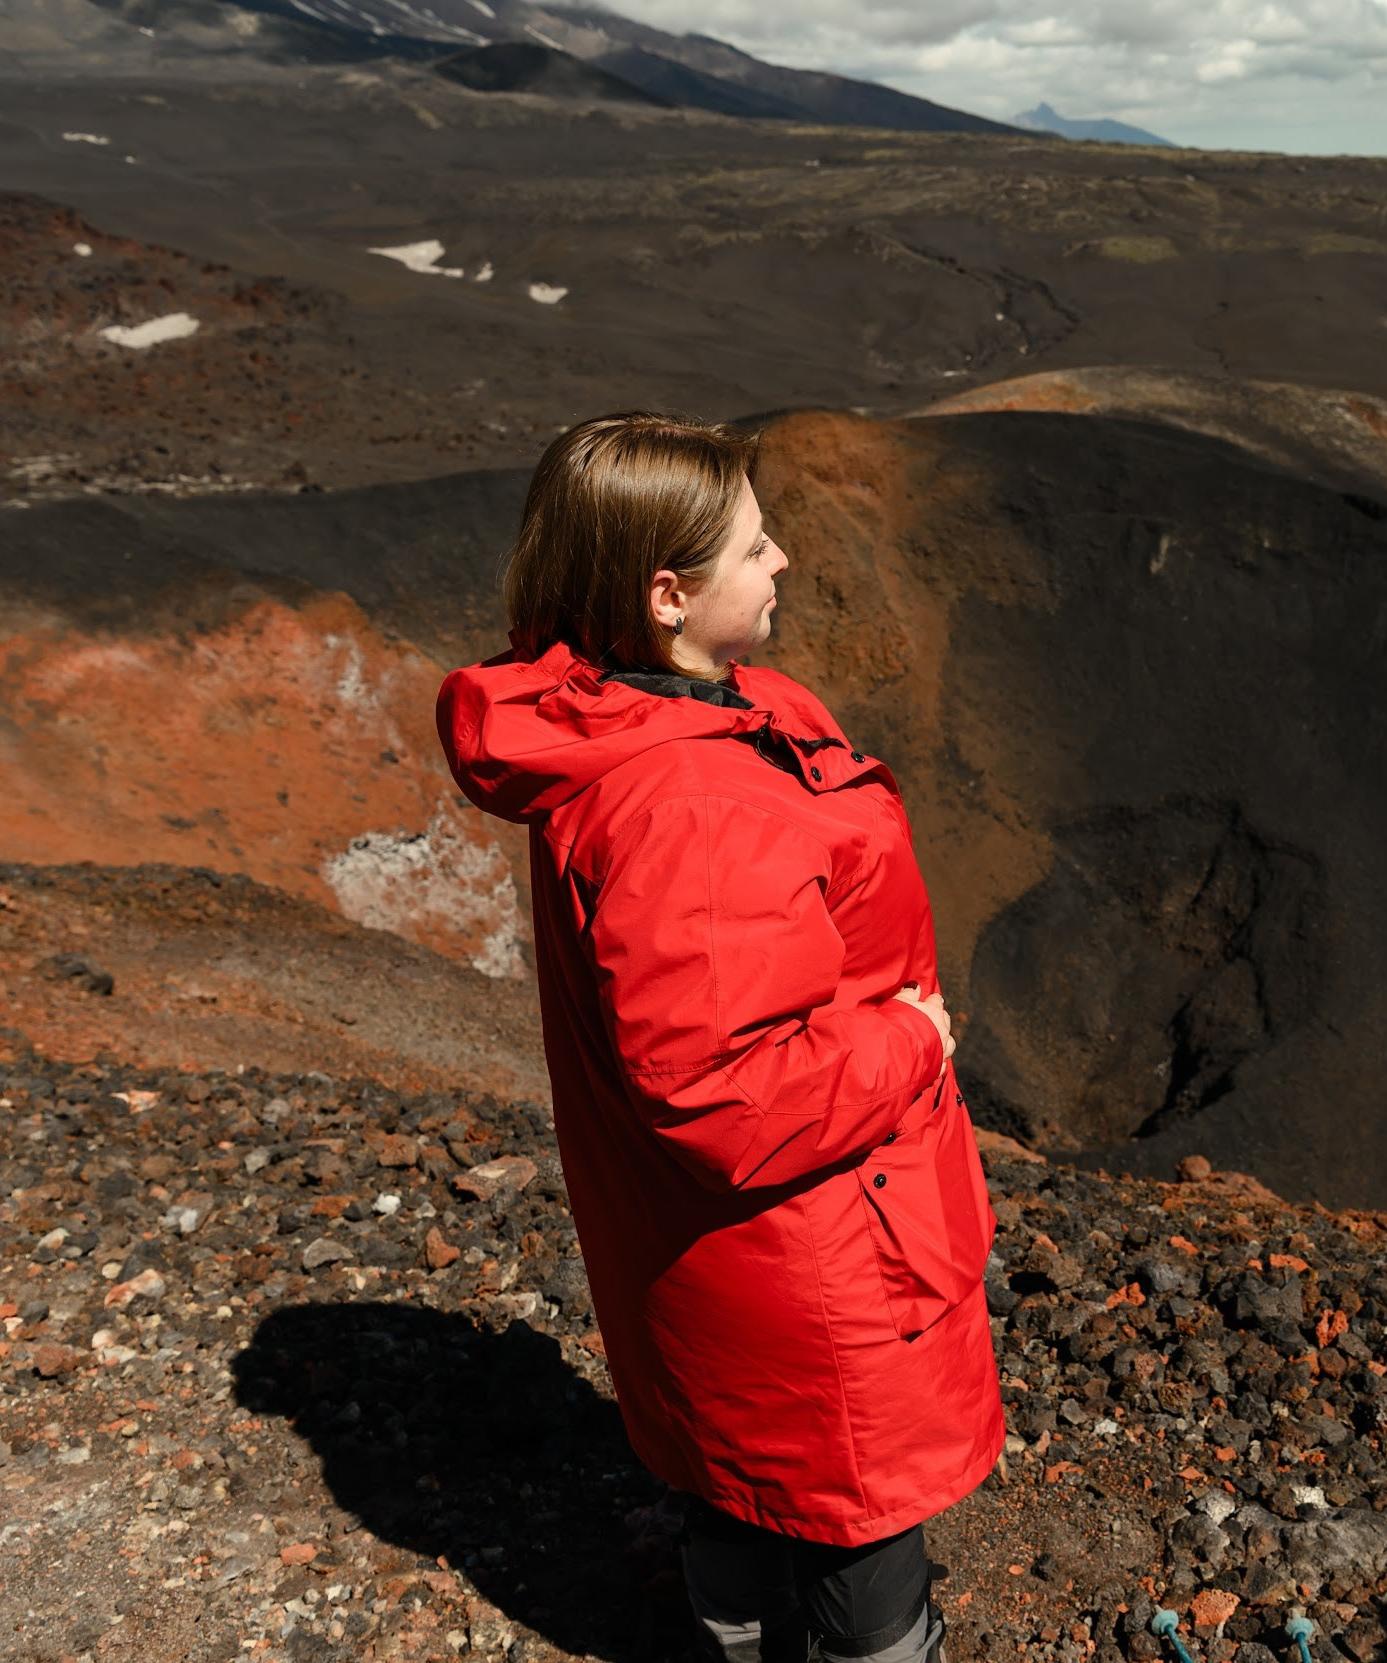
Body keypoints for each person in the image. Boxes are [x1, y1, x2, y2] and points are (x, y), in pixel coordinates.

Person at [436, 411, 1003, 1663]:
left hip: (741, 1262)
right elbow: (725, 1093)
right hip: (818, 1250)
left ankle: (729, 1639)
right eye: (754, 547)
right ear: (668, 593)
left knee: (743, 1476)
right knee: (856, 1527)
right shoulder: (688, 803)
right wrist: (912, 1041)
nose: (785, 558)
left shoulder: (664, 715)